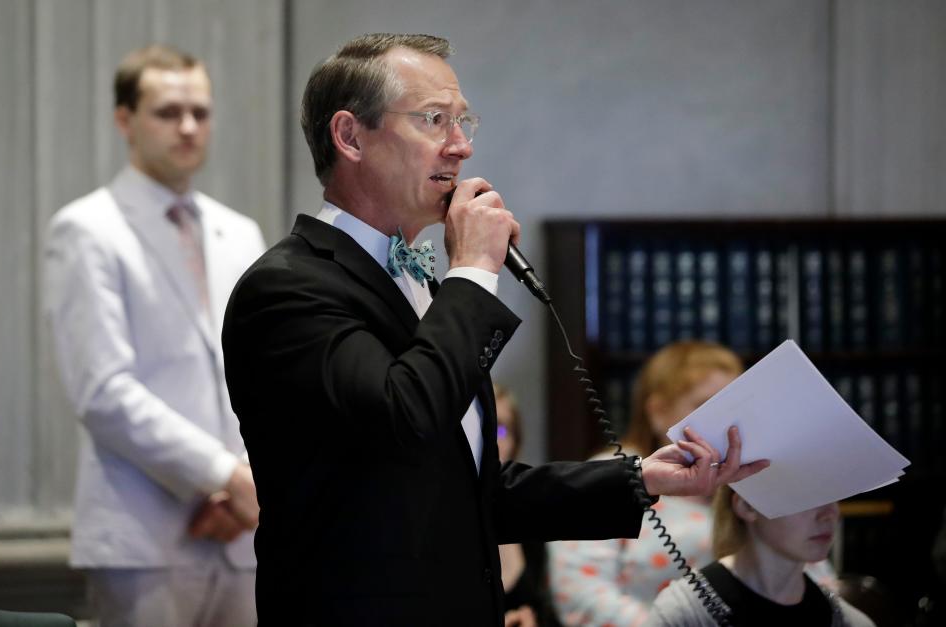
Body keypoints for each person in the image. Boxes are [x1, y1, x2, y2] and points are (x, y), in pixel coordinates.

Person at [221, 33, 767, 626]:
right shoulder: (288, 288)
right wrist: (475, 270)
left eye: (463, 122)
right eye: (434, 120)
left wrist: (638, 477)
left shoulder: (420, 284)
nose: (460, 148)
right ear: (350, 136)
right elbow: (404, 418)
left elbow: (467, 489)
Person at [44, 45, 266, 627]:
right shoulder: (87, 229)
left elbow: (264, 374)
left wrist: (247, 485)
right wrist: (222, 476)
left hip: (242, 532)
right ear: (125, 120)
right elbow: (103, 390)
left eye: (200, 111)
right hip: (144, 534)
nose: (189, 127)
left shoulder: (240, 233)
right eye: (168, 112)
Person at [549, 340, 745, 626]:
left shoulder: (749, 477)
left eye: (733, 406)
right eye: (705, 405)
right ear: (658, 412)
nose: (725, 424)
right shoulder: (611, 472)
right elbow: (582, 593)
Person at [645, 486, 874, 626]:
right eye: (806, 496)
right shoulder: (685, 614)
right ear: (747, 506)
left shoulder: (846, 620)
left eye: (834, 495)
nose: (829, 514)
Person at [495, 384, 558, 627]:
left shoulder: (530, 519)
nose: (490, 439)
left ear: (515, 443)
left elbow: (546, 612)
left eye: (501, 429)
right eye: (479, 427)